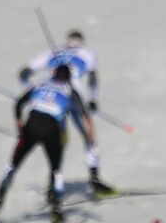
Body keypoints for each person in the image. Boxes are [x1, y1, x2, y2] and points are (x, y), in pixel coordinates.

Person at [0, 64, 96, 223]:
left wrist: (19, 125)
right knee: (56, 170)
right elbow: (83, 114)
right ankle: (56, 209)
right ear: (69, 78)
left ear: (54, 74)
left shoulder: (40, 84)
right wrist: (90, 136)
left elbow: (18, 104)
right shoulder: (70, 91)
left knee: (13, 165)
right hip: (52, 129)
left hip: (31, 125)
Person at [19, 29, 113, 195]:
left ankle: (57, 185)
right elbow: (92, 77)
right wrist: (93, 99)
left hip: (60, 100)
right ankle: (90, 180)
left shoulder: (55, 51)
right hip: (73, 100)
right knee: (83, 138)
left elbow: (24, 73)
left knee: (66, 141)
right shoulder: (84, 53)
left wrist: (33, 93)